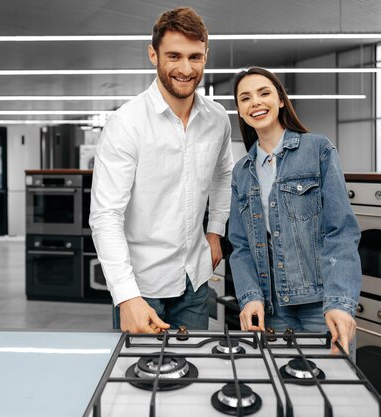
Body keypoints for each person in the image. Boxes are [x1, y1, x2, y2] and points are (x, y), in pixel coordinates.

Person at [89, 7, 234, 334]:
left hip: (195, 280)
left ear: (206, 56)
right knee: (140, 381)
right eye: (174, 56)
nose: (186, 69)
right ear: (153, 55)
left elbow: (223, 175)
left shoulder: (217, 119)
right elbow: (105, 215)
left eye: (195, 57)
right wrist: (126, 297)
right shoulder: (126, 124)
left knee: (195, 373)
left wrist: (215, 232)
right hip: (142, 286)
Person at [228, 66, 361, 354]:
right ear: (239, 110)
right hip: (271, 310)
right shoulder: (241, 172)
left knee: (334, 392)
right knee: (280, 392)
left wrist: (340, 302)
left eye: (264, 93)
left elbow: (341, 231)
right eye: (245, 98)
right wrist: (250, 297)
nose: (256, 103)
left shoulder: (318, 150)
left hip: (322, 307)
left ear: (280, 100)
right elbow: (241, 247)